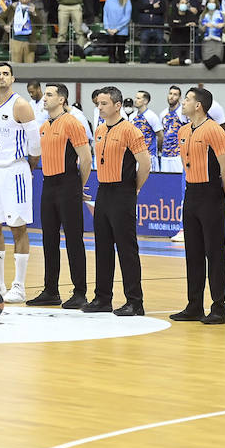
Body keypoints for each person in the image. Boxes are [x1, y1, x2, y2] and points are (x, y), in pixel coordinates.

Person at [85, 86, 152, 315]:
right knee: (102, 247)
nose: (100, 107)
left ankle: (135, 301)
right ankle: (102, 299)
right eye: (98, 104)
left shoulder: (130, 131)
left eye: (104, 103)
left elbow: (145, 164)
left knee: (126, 249)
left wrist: (135, 188)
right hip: (103, 191)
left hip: (123, 192)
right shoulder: (100, 130)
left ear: (117, 105)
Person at [170, 87, 225, 324]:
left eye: (187, 99)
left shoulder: (214, 130)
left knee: (215, 253)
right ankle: (194, 305)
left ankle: (219, 308)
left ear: (198, 105)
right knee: (193, 252)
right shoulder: (183, 130)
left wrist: (224, 192)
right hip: (191, 192)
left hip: (211, 193)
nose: (183, 102)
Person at [28, 83, 93, 309]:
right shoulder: (44, 125)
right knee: (49, 239)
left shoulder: (72, 123)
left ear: (62, 100)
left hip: (68, 184)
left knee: (74, 240)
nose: (44, 99)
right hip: (48, 185)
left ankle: (80, 292)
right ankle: (50, 290)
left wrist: (78, 186)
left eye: (49, 95)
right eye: (45, 95)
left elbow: (86, 159)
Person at [0, 63, 40, 303]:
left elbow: (35, 144)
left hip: (16, 170)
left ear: (13, 78)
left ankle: (19, 285)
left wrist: (28, 166)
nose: (1, 77)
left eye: (6, 73)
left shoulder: (21, 105)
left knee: (18, 227)